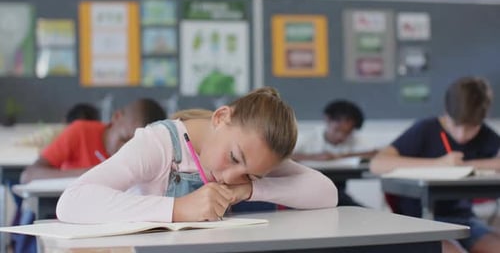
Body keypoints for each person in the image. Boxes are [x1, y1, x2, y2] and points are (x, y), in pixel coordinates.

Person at [56, 87, 338, 223]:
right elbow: (72, 201)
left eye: (249, 174)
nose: (230, 178)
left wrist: (250, 188)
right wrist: (179, 209)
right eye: (234, 158)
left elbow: (327, 194)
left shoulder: (253, 154)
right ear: (220, 117)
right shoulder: (160, 143)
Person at [370, 76, 500, 253]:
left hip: (463, 220)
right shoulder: (426, 129)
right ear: (446, 110)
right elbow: (377, 164)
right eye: (456, 124)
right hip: (420, 221)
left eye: (472, 127)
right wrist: (439, 164)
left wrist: (466, 165)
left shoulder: (486, 135)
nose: (462, 135)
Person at [20, 98, 166, 184]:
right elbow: (28, 175)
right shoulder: (80, 132)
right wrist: (95, 173)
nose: (126, 150)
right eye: (124, 140)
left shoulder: (148, 160)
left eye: (136, 146)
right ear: (116, 117)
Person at [292, 100, 377, 206]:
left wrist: (340, 156)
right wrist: (315, 157)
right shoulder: (309, 138)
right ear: (327, 119)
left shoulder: (354, 139)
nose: (341, 137)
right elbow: (284, 157)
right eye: (338, 130)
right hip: (307, 194)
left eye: (347, 133)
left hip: (338, 194)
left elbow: (374, 153)